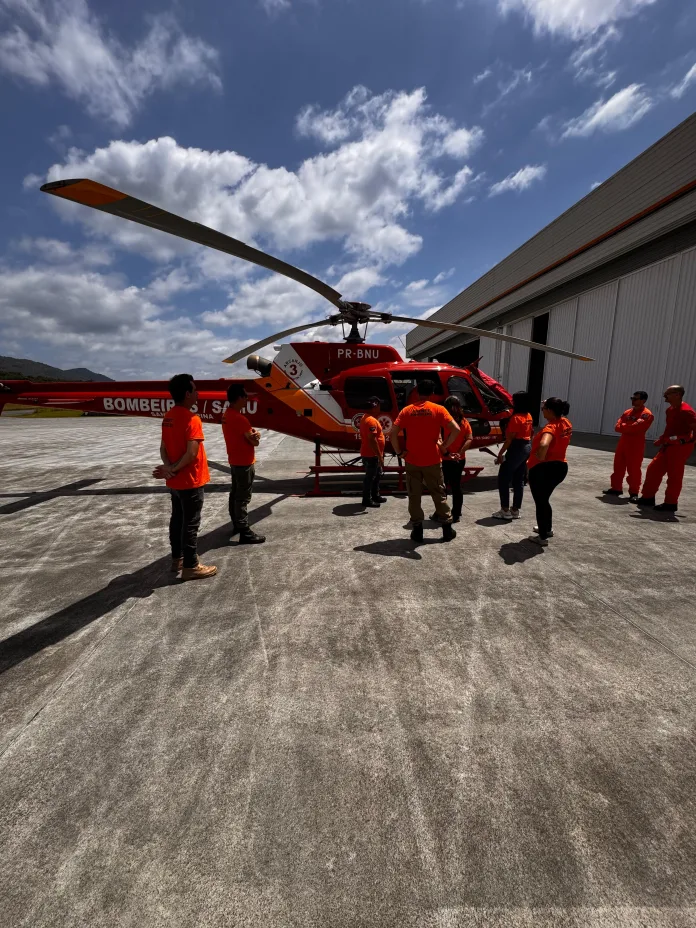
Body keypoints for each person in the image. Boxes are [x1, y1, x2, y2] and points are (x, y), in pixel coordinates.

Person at [152, 374, 217, 580]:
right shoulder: (192, 418)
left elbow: (163, 448)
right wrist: (176, 469)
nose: (198, 393)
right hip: (190, 480)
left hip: (175, 482)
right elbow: (191, 453)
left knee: (177, 520)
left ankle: (177, 559)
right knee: (191, 523)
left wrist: (170, 469)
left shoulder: (168, 417)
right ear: (187, 394)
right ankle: (191, 565)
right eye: (195, 390)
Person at [390, 380, 460, 543]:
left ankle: (417, 531)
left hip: (412, 460)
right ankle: (447, 530)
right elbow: (456, 429)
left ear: (416, 392)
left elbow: (392, 433)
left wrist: (400, 453)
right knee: (438, 494)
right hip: (433, 461)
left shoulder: (407, 411)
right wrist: (444, 446)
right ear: (432, 393)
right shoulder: (439, 409)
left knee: (414, 496)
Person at [637, 385, 696, 512]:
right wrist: (663, 438)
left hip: (680, 448)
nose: (665, 396)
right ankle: (647, 497)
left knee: (674, 475)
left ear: (677, 395)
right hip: (668, 445)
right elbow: (670, 428)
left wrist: (685, 440)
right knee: (653, 469)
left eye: (668, 393)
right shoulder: (670, 410)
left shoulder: (687, 412)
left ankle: (670, 503)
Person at [222, 383, 265, 543]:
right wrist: (256, 437)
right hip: (244, 462)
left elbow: (247, 435)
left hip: (234, 460)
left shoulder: (228, 415)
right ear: (239, 398)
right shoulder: (240, 419)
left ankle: (236, 524)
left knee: (235, 494)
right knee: (242, 497)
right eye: (245, 396)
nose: (247, 399)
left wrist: (254, 434)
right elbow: (254, 443)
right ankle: (244, 531)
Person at [526, 397, 573, 547]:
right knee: (544, 499)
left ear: (550, 411)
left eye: (544, 408)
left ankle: (542, 537)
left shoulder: (550, 428)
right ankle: (547, 528)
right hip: (560, 467)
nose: (542, 410)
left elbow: (544, 443)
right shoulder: (565, 423)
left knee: (540, 502)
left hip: (544, 469)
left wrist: (539, 456)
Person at [604, 391, 654, 502]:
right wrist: (627, 427)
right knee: (618, 466)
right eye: (632, 398)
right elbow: (617, 426)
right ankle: (616, 488)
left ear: (643, 400)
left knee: (634, 469)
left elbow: (636, 428)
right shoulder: (628, 412)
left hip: (635, 445)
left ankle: (634, 492)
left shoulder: (646, 414)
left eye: (635, 398)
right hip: (623, 443)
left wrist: (624, 426)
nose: (633, 400)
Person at [492, 391, 533, 520]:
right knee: (518, 480)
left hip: (516, 448)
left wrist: (500, 454)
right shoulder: (528, 416)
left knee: (503, 478)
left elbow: (509, 440)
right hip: (526, 447)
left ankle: (505, 510)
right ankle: (515, 509)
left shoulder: (515, 419)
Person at [436, 395, 473, 523]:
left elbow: (438, 440)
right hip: (459, 459)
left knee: (442, 487)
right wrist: (459, 452)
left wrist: (446, 453)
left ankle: (441, 512)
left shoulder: (443, 421)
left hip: (444, 459)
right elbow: (469, 439)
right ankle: (456, 513)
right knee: (456, 486)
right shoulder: (464, 422)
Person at [359, 397, 387, 508]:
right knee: (370, 478)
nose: (380, 407)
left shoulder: (367, 418)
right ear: (374, 406)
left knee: (376, 476)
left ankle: (375, 495)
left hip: (371, 454)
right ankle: (367, 499)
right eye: (379, 405)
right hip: (372, 454)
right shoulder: (370, 420)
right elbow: (372, 439)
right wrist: (380, 456)